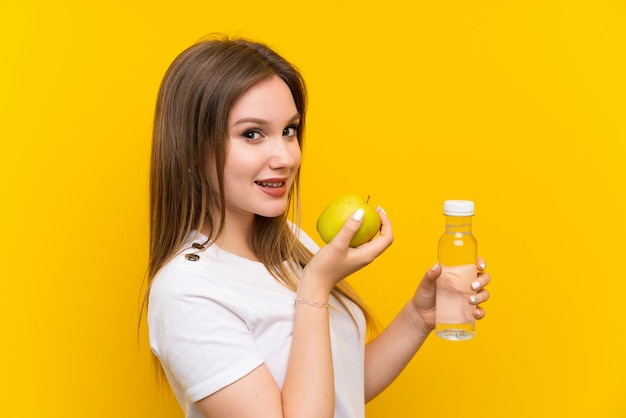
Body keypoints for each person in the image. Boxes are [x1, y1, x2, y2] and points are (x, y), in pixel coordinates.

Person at [146, 35, 491, 418]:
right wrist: (316, 284)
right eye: (251, 134)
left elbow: (336, 387)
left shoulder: (289, 244)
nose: (285, 157)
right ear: (193, 149)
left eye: (289, 130)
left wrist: (417, 316)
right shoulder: (188, 292)